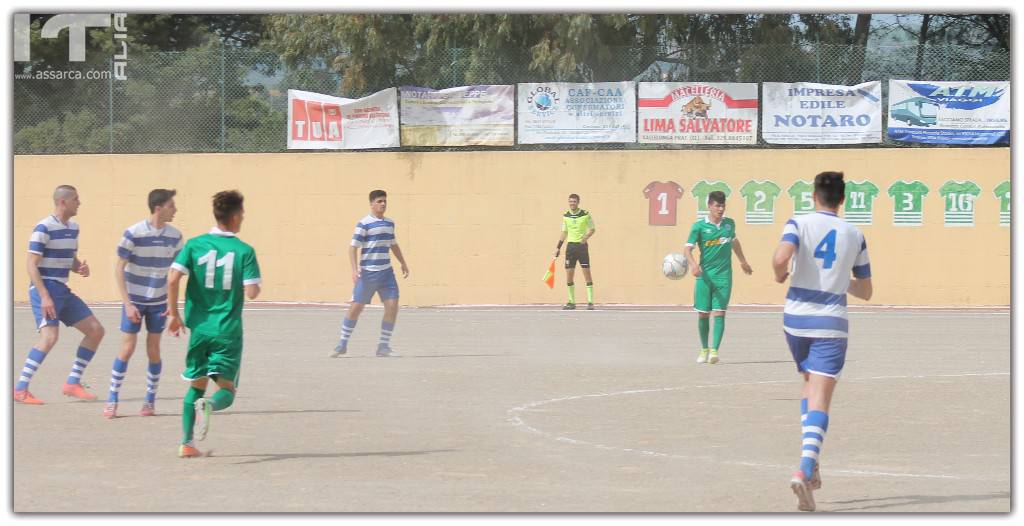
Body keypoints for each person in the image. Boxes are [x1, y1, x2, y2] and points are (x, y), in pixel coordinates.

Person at [772, 171, 872, 512]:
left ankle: (812, 469)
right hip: (830, 323)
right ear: (842, 200)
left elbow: (780, 259)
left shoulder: (798, 223)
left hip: (795, 321)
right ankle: (805, 467)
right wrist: (841, 279)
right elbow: (866, 290)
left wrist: (778, 274)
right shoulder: (855, 234)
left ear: (814, 195)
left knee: (809, 389)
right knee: (821, 398)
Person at [166, 190, 261, 458]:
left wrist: (174, 314)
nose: (243, 217)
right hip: (228, 331)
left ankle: (186, 443)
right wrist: (251, 286)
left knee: (195, 384)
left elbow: (172, 279)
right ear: (234, 217)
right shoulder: (244, 251)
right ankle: (209, 405)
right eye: (241, 213)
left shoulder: (194, 245)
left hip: (199, 330)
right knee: (227, 391)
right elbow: (252, 292)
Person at [15, 185, 105, 404]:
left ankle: (72, 383)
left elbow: (69, 259)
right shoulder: (43, 227)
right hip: (45, 288)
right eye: (76, 199)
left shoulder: (73, 228)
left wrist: (79, 268)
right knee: (49, 337)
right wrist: (44, 295)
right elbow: (31, 265)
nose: (79, 203)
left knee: (96, 331)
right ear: (63, 202)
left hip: (62, 289)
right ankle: (20, 389)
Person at [104, 189, 183, 418]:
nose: (175, 210)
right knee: (127, 349)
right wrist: (127, 303)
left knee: (154, 350)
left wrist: (172, 304)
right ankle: (112, 399)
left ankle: (149, 401)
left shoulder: (176, 237)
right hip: (135, 300)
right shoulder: (134, 233)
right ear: (158, 208)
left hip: (159, 302)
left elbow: (175, 273)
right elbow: (119, 268)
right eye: (171, 206)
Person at [331, 190, 410, 358]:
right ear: (372, 204)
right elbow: (352, 248)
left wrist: (402, 262)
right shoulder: (364, 224)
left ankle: (383, 346)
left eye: (385, 201)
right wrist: (354, 270)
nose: (383, 204)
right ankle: (342, 344)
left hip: (387, 273)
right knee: (356, 308)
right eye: (380, 201)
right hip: (368, 274)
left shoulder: (389, 223)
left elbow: (393, 244)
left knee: (392, 306)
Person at [682, 190, 752, 365]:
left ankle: (714, 351)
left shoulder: (729, 224)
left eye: (723, 205)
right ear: (710, 206)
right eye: (717, 205)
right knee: (703, 314)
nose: (720, 209)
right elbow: (687, 249)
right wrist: (693, 265)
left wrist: (743, 261)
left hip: (724, 277)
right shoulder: (699, 227)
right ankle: (704, 348)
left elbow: (734, 242)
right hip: (705, 277)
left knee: (720, 312)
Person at [554, 194, 596, 310]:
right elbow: (564, 232)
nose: (572, 203)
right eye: (570, 201)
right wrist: (558, 247)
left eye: (574, 201)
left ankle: (590, 302)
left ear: (578, 202)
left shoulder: (585, 214)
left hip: (582, 247)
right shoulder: (565, 216)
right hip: (570, 247)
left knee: (586, 273)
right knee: (569, 275)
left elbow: (592, 229)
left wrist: (586, 237)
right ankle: (571, 302)